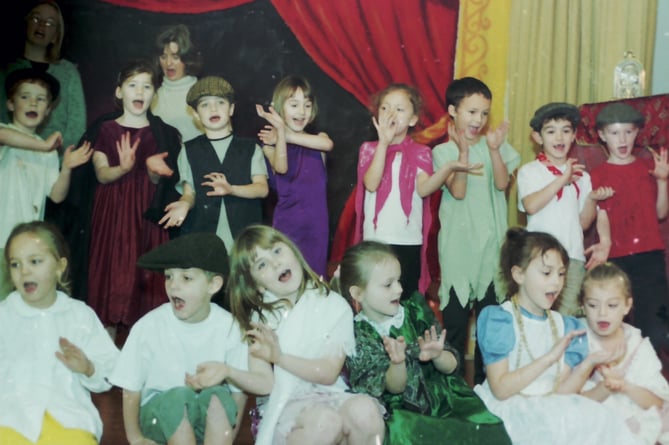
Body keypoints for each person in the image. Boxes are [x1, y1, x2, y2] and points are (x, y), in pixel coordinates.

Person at [474, 227, 643, 444]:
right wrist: (549, 358)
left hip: (548, 409)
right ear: (519, 274)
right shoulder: (501, 319)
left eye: (561, 274)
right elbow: (501, 389)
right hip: (508, 411)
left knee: (604, 422)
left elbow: (562, 393)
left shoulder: (564, 326)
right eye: (546, 273)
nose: (556, 282)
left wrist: (589, 362)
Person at [337, 240, 511, 444]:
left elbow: (452, 365)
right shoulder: (358, 335)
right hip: (403, 408)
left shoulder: (415, 312)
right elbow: (395, 387)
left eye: (399, 281)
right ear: (358, 293)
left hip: (444, 396)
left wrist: (438, 356)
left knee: (487, 428)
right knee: (412, 434)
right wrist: (397, 363)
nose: (399, 289)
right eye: (388, 284)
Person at [226, 224, 385, 445]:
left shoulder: (334, 305)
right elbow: (265, 384)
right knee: (325, 421)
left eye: (277, 251)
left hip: (331, 393)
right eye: (262, 264)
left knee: (365, 412)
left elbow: (329, 372)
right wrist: (227, 371)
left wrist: (279, 357)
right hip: (285, 407)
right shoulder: (260, 321)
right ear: (257, 286)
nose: (275, 263)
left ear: (292, 250)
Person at [109, 232, 268, 445]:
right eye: (168, 276)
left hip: (203, 423)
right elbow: (130, 388)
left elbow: (239, 395)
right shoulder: (149, 326)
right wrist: (136, 439)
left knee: (218, 396)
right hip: (159, 419)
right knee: (178, 399)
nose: (174, 285)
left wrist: (229, 434)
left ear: (213, 285)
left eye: (186, 278)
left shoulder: (229, 327)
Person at [354, 83, 481, 300]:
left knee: (404, 301)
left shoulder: (421, 152)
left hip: (408, 240)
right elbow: (372, 184)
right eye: (385, 108)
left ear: (413, 120)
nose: (392, 113)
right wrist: (384, 143)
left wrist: (449, 167)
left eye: (400, 109)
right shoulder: (370, 149)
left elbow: (423, 189)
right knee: (375, 299)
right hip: (375, 239)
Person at [432, 77, 520, 384]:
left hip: (491, 250)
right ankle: (452, 388)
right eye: (471, 112)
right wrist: (463, 156)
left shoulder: (494, 145)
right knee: (455, 323)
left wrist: (494, 150)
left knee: (488, 323)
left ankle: (487, 386)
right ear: (453, 111)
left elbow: (501, 183)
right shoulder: (442, 153)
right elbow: (457, 192)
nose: (478, 120)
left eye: (484, 113)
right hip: (458, 249)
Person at [0, 221, 119, 445]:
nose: (24, 271)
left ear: (59, 266)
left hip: (68, 418)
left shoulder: (79, 315)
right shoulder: (4, 316)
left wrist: (88, 368)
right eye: (15, 264)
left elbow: (110, 371)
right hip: (9, 418)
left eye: (35, 261)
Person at [86, 60, 181, 338]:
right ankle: (107, 356)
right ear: (119, 92)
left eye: (147, 86)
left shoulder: (161, 133)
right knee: (110, 274)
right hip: (111, 213)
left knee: (143, 278)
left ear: (155, 94)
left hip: (144, 214)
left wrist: (153, 173)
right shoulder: (104, 129)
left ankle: (142, 352)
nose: (140, 92)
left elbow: (161, 182)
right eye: (132, 85)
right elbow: (102, 174)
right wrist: (123, 168)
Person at [589, 102, 669, 372]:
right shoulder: (597, 175)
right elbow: (599, 216)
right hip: (617, 259)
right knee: (617, 325)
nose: (622, 140)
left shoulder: (649, 167)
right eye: (614, 133)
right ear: (602, 135)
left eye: (628, 132)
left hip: (650, 256)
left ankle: (650, 380)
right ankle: (618, 380)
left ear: (637, 133)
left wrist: (661, 181)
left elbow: (660, 213)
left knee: (655, 329)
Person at [0, 68, 91, 299]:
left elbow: (57, 196)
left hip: (27, 246)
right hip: (0, 240)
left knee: (19, 304)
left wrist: (67, 167)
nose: (33, 103)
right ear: (10, 104)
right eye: (25, 97)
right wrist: (43, 147)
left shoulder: (48, 151)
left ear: (48, 110)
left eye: (40, 99)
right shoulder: (7, 135)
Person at [518, 102, 613, 315]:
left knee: (566, 318)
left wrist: (591, 199)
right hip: (539, 258)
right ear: (538, 138)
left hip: (573, 259)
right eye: (551, 132)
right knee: (537, 315)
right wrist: (563, 179)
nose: (559, 138)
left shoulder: (582, 176)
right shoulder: (530, 171)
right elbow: (531, 206)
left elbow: (584, 223)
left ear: (573, 137)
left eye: (566, 131)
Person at [161, 76, 269, 252]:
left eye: (220, 102)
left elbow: (262, 189)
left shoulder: (250, 148)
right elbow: (190, 194)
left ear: (231, 108)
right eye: (204, 105)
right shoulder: (188, 150)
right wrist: (185, 204)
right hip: (204, 236)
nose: (213, 108)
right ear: (196, 114)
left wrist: (232, 189)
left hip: (244, 237)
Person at [581, 262, 669, 445]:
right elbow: (568, 404)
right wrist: (605, 387)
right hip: (593, 423)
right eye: (593, 305)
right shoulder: (578, 341)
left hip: (637, 419)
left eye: (612, 305)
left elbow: (659, 403)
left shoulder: (637, 345)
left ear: (627, 306)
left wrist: (624, 386)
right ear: (582, 305)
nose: (602, 313)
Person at [256, 76, 332, 277]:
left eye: (307, 105)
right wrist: (281, 133)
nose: (301, 111)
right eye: (294, 105)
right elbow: (281, 168)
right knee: (288, 276)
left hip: (317, 226)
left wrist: (286, 134)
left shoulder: (319, 139)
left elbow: (328, 145)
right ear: (278, 108)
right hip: (288, 225)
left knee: (316, 278)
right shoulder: (269, 146)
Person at [0, 0, 86, 151]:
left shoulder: (68, 72)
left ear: (55, 36)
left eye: (49, 23)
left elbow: (77, 125)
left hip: (53, 161)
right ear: (26, 25)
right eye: (36, 19)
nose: (41, 25)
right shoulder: (6, 69)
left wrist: (56, 158)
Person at [151, 24, 203, 143]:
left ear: (187, 58)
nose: (168, 63)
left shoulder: (203, 92)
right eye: (163, 57)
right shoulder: (153, 96)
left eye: (175, 57)